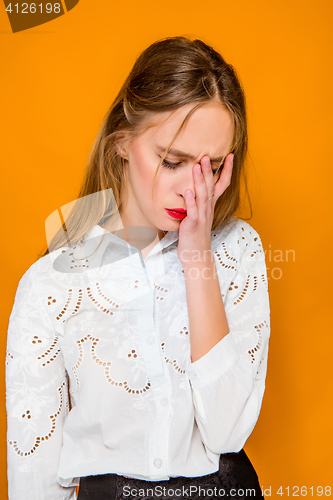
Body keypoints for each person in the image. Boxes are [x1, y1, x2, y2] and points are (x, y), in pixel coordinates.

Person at [5, 36, 271, 499]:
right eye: (172, 161)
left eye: (209, 169)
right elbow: (35, 477)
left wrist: (197, 258)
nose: (193, 190)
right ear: (123, 143)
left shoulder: (237, 251)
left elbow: (228, 433)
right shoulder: (51, 285)